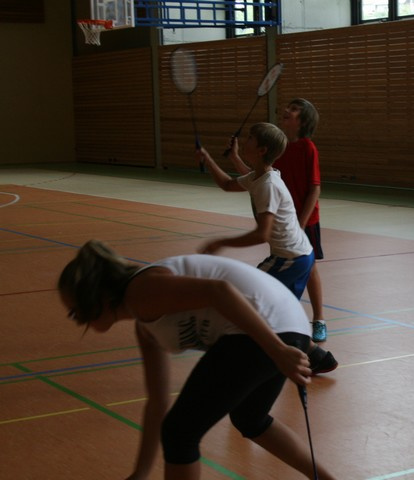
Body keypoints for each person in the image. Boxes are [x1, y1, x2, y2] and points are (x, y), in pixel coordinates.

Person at [57, 239, 338, 480]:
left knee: (180, 433)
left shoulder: (141, 292)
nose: (75, 319)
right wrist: (140, 473)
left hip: (268, 329)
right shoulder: (145, 324)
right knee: (250, 418)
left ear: (96, 298)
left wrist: (277, 349)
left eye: (74, 311)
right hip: (285, 325)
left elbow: (219, 291)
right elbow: (157, 403)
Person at [197, 122, 337, 375]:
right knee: (279, 313)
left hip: (290, 258)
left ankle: (245, 357)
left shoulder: (267, 185)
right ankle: (318, 357)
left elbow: (262, 234)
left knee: (245, 298)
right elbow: (227, 184)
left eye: (250, 138)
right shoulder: (259, 177)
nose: (245, 140)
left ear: (261, 150)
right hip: (299, 256)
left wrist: (220, 242)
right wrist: (208, 159)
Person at [227, 99, 328, 343]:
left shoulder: (308, 148)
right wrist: (235, 158)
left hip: (305, 218)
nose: (286, 110)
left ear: (303, 121)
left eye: (293, 110)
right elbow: (255, 178)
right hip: (285, 217)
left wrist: (301, 223)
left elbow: (315, 188)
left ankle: (319, 319)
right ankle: (286, 322)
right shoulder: (279, 148)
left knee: (310, 267)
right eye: (288, 107)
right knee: (290, 268)